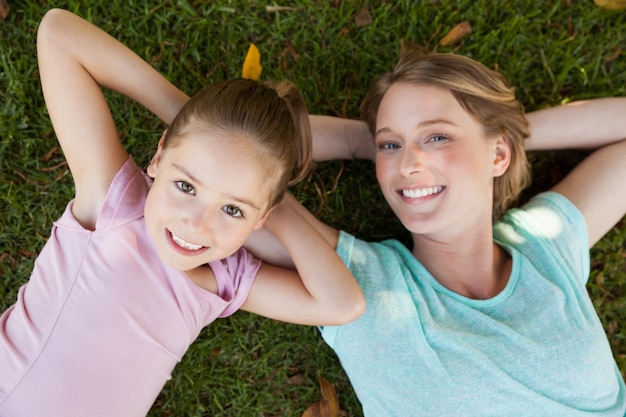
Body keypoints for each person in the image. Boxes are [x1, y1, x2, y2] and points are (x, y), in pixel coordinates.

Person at [0, 8, 365, 417]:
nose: (197, 223)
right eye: (186, 185)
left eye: (231, 209)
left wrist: (271, 207)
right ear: (158, 158)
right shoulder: (115, 203)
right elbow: (58, 33)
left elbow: (342, 304)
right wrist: (185, 119)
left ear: (261, 218)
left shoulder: (226, 280)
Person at [247, 47, 626, 415]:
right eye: (390, 144)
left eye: (438, 137)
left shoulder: (544, 245)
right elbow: (230, 154)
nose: (409, 163)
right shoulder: (357, 284)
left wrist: (501, 134)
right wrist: (364, 144)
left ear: (499, 155)